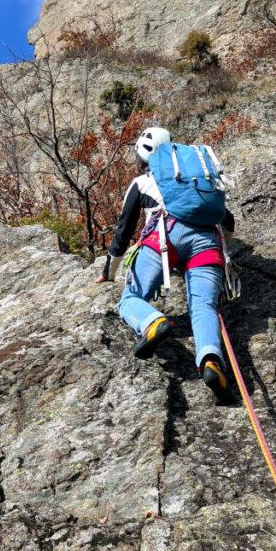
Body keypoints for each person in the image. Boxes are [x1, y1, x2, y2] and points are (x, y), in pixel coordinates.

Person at [96, 126, 235, 404]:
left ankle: (152, 321)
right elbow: (227, 221)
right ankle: (210, 362)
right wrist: (226, 253)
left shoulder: (141, 183)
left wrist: (109, 272)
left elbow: (123, 232)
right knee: (204, 306)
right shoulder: (194, 179)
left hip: (163, 237)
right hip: (207, 240)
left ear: (141, 156)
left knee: (131, 298)